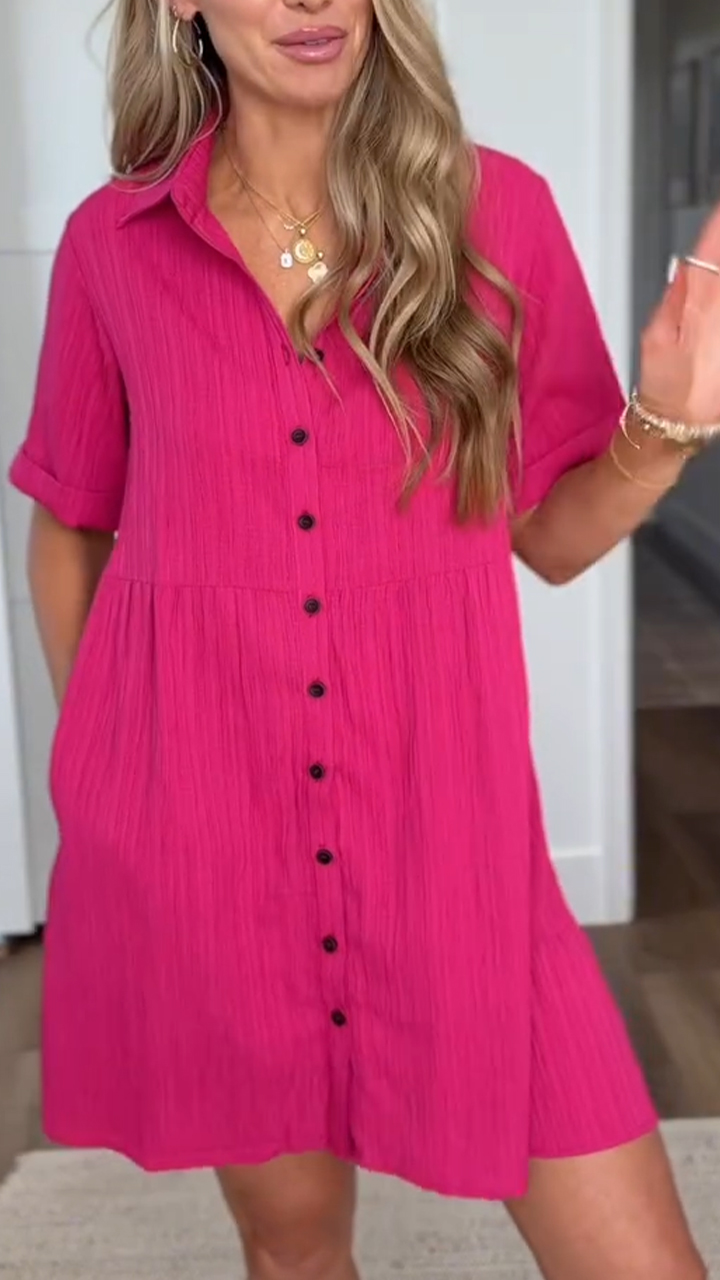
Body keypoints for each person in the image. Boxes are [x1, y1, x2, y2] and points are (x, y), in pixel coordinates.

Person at [9, 0, 719, 1275]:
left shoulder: (498, 213)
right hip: (209, 851)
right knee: (294, 1250)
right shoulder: (113, 245)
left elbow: (552, 539)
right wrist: (107, 778)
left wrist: (664, 426)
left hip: (453, 846)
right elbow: (70, 525)